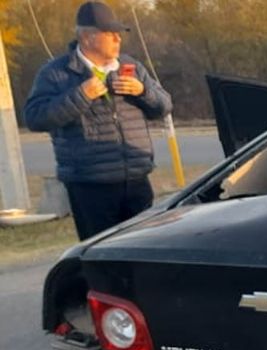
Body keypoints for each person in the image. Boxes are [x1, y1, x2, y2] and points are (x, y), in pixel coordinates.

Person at [25, 1, 172, 240]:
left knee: (142, 251)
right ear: (87, 37)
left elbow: (164, 106)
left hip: (136, 180)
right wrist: (80, 95)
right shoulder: (56, 73)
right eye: (110, 33)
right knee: (102, 257)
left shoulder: (131, 66)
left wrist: (142, 91)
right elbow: (35, 118)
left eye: (119, 33)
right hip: (90, 185)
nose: (118, 39)